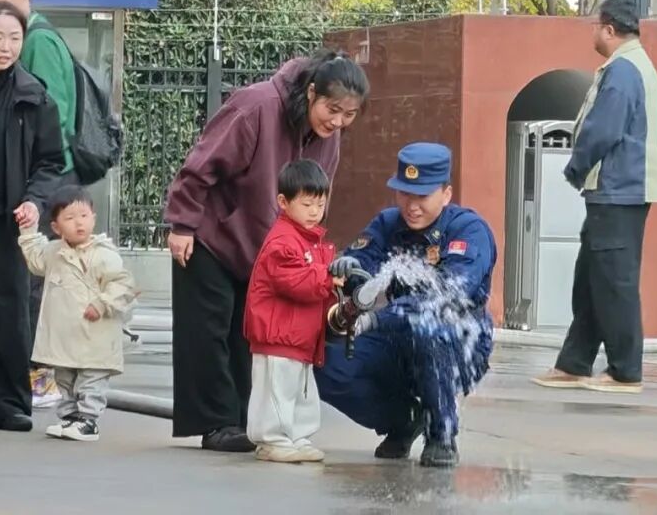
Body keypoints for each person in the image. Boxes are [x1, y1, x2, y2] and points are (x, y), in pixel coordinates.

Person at [164, 49, 368, 452]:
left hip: (265, 250)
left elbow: (315, 196)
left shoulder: (329, 137)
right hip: (212, 235)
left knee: (250, 335)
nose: (338, 122)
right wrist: (183, 223)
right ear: (311, 93)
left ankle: (245, 421)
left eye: (349, 115)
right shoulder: (256, 105)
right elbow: (202, 163)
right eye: (332, 110)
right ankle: (216, 423)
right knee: (207, 332)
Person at [319, 142, 497, 468]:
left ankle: (441, 433)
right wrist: (351, 272)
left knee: (429, 329)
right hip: (396, 334)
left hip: (456, 339)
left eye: (422, 196)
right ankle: (402, 420)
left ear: (446, 194)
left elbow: (447, 295)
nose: (411, 206)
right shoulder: (389, 223)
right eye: (404, 194)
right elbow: (363, 262)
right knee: (327, 363)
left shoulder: (468, 231)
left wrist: (378, 319)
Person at [531, 0, 657, 394]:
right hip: (616, 190)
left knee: (614, 282)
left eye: (595, 26)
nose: (592, 33)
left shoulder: (623, 70)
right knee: (592, 278)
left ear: (608, 29)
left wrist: (576, 167)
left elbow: (604, 129)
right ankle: (574, 363)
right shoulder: (632, 65)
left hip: (619, 190)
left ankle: (625, 370)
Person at [0, 0, 79, 409]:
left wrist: (34, 196)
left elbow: (51, 135)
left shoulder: (37, 50)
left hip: (26, 198)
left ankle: (30, 381)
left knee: (23, 290)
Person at [0, 0, 65, 432]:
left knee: (6, 308)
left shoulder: (34, 95)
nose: (6, 47)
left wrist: (34, 201)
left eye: (14, 38)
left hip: (8, 220)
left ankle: (4, 403)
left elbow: (50, 162)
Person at [17, 185, 136, 442]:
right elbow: (35, 258)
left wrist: (102, 304)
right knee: (65, 379)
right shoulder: (54, 252)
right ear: (56, 226)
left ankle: (88, 420)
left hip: (95, 338)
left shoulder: (104, 254)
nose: (78, 223)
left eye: (84, 216)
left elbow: (123, 285)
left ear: (93, 217)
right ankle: (71, 417)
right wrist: (28, 229)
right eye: (69, 218)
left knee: (91, 381)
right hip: (65, 339)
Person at [244, 160, 340, 463]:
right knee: (277, 391)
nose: (315, 212)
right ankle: (272, 439)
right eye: (307, 204)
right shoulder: (283, 241)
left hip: (299, 337)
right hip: (278, 335)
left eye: (320, 204)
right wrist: (328, 277)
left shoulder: (308, 240)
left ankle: (297, 436)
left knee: (300, 391)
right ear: (284, 202)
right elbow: (296, 281)